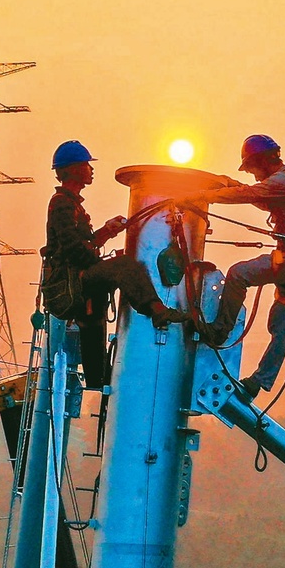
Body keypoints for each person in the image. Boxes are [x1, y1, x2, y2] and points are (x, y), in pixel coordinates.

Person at [178, 134, 285, 400]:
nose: (254, 176)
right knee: (280, 327)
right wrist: (230, 183)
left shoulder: (283, 182)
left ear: (261, 162)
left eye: (253, 169)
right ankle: (258, 383)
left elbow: (247, 195)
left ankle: (219, 331)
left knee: (238, 274)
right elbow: (259, 197)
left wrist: (200, 196)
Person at [43, 140, 187, 389]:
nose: (91, 169)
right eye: (86, 165)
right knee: (125, 267)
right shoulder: (63, 204)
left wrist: (106, 232)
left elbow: (80, 245)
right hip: (72, 283)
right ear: (74, 169)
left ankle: (98, 378)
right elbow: (73, 249)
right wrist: (103, 265)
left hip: (76, 281)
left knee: (93, 324)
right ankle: (156, 309)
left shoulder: (71, 203)